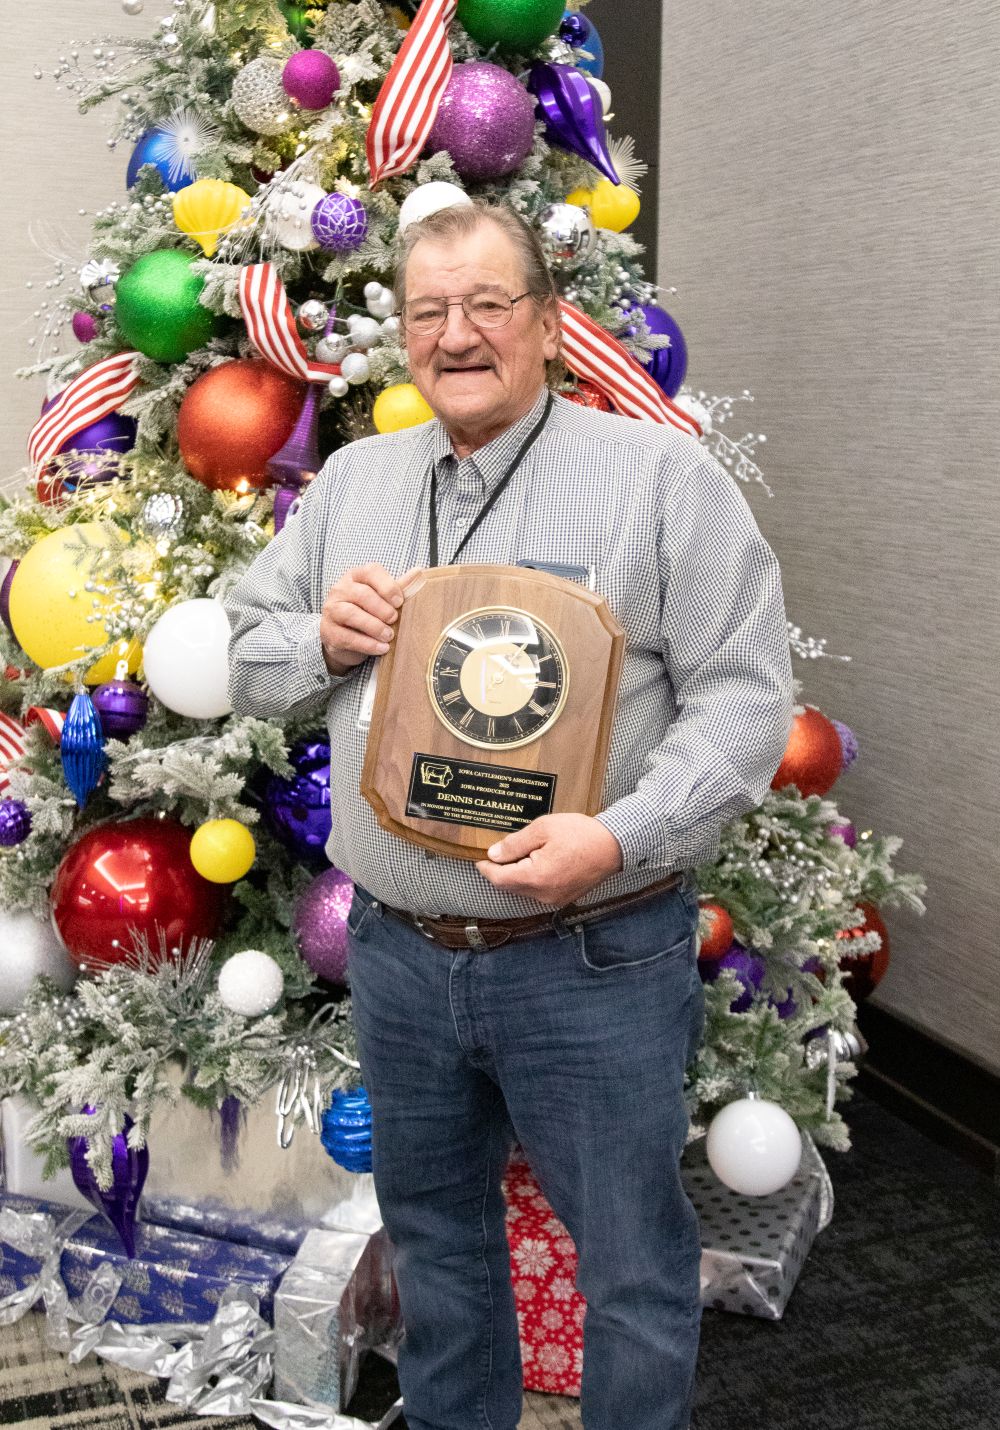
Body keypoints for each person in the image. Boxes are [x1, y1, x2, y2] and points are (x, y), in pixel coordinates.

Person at [225, 201, 794, 1430]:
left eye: (488, 304)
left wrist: (622, 831)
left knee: (631, 1261)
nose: (458, 334)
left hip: (593, 953)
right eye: (429, 311)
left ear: (546, 321)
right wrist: (317, 636)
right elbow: (238, 652)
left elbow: (747, 700)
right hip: (398, 952)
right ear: (404, 337)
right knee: (434, 1244)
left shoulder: (656, 479)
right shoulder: (352, 485)